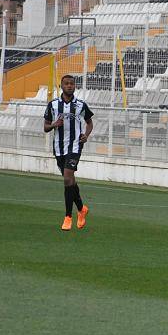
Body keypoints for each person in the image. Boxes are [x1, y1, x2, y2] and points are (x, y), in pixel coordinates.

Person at [43, 75, 94, 231]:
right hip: (59, 148)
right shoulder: (53, 105)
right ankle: (81, 209)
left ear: (74, 86)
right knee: (70, 181)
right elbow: (45, 127)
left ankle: (68, 217)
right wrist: (54, 124)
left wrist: (86, 135)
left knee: (67, 178)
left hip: (75, 146)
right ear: (62, 86)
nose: (69, 86)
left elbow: (89, 123)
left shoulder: (80, 105)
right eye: (66, 83)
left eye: (72, 83)